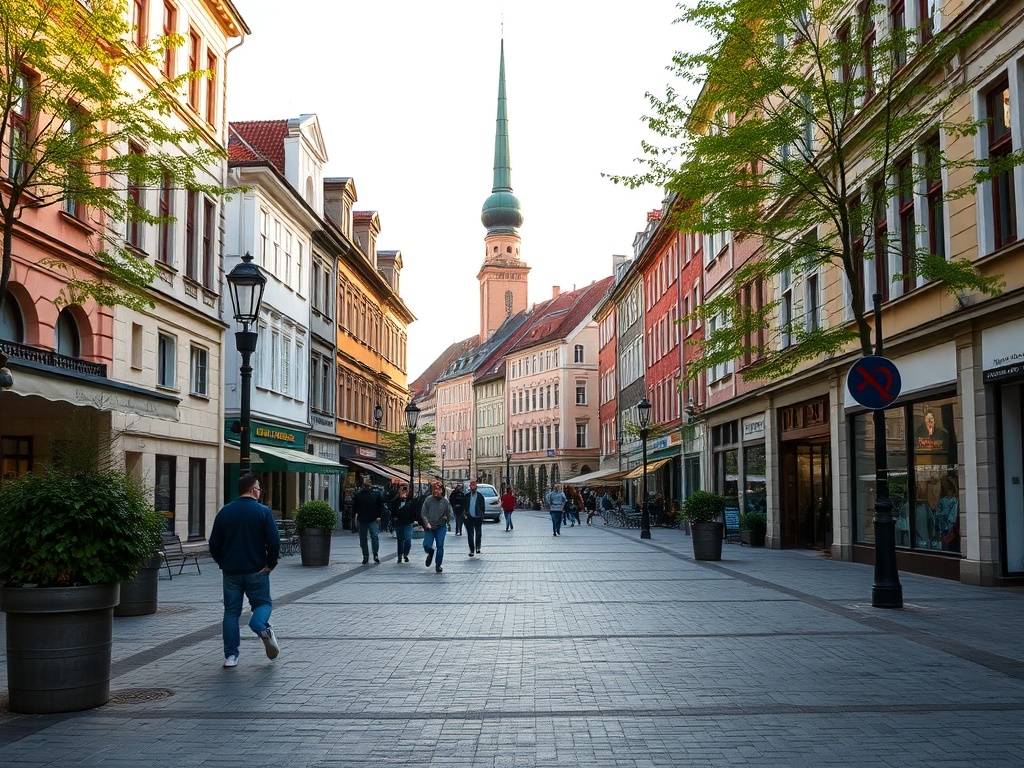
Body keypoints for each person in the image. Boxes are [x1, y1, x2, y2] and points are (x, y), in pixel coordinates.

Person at [208, 472, 281, 668]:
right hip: (257, 569)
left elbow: (214, 544)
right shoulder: (263, 512)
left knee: (231, 613)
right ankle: (260, 627)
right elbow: (274, 542)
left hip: (231, 571)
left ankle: (231, 656)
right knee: (263, 604)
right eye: (258, 487)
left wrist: (222, 562)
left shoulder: (225, 512)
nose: (259, 491)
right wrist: (270, 564)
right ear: (253, 490)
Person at [420, 481, 453, 573]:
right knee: (426, 545)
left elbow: (451, 514)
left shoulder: (445, 502)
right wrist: (426, 523)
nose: (436, 491)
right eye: (434, 489)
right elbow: (423, 513)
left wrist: (447, 518)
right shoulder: (428, 500)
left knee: (440, 545)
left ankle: (438, 565)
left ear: (441, 491)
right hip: (430, 527)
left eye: (438, 489)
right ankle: (430, 553)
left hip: (441, 526)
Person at [352, 477, 384, 564]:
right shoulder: (375, 494)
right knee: (373, 536)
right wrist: (379, 516)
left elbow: (354, 508)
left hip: (364, 518)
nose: (367, 487)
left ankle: (368, 555)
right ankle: (372, 554)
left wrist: (354, 517)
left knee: (366, 538)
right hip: (370, 518)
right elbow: (381, 506)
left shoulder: (359, 495)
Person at [390, 484, 417, 563]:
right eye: (402, 489)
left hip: (408, 522)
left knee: (408, 538)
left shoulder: (411, 500)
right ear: (399, 490)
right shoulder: (396, 500)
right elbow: (392, 509)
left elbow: (414, 509)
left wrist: (415, 519)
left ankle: (405, 554)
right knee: (400, 539)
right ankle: (399, 555)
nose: (404, 491)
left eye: (405, 490)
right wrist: (394, 516)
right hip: (399, 522)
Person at [463, 479, 487, 556]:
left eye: (474, 486)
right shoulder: (466, 496)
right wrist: (465, 514)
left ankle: (478, 547)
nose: (473, 488)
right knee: (470, 534)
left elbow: (483, 507)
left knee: (478, 533)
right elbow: (464, 507)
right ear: (470, 487)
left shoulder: (480, 496)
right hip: (469, 517)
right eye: (471, 486)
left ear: (476, 487)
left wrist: (481, 515)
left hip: (477, 517)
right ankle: (472, 550)